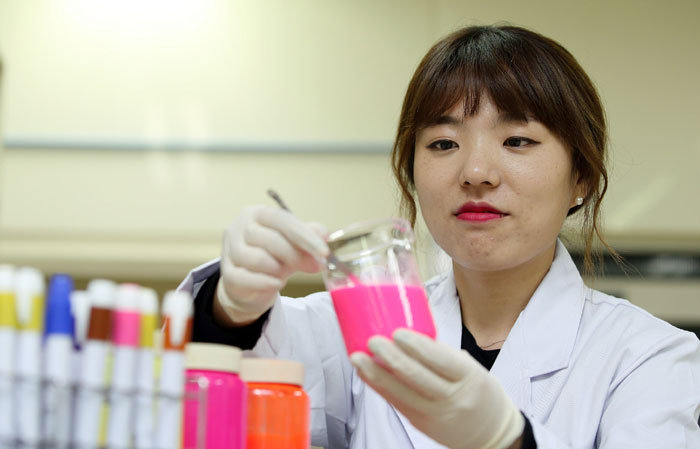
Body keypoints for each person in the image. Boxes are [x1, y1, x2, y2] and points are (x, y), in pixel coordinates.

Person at [179, 25, 700, 448]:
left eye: (518, 139)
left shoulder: (647, 357)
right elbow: (213, 404)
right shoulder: (352, 329)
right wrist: (229, 310)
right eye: (444, 142)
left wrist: (508, 439)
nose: (476, 171)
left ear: (580, 179)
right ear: (411, 171)